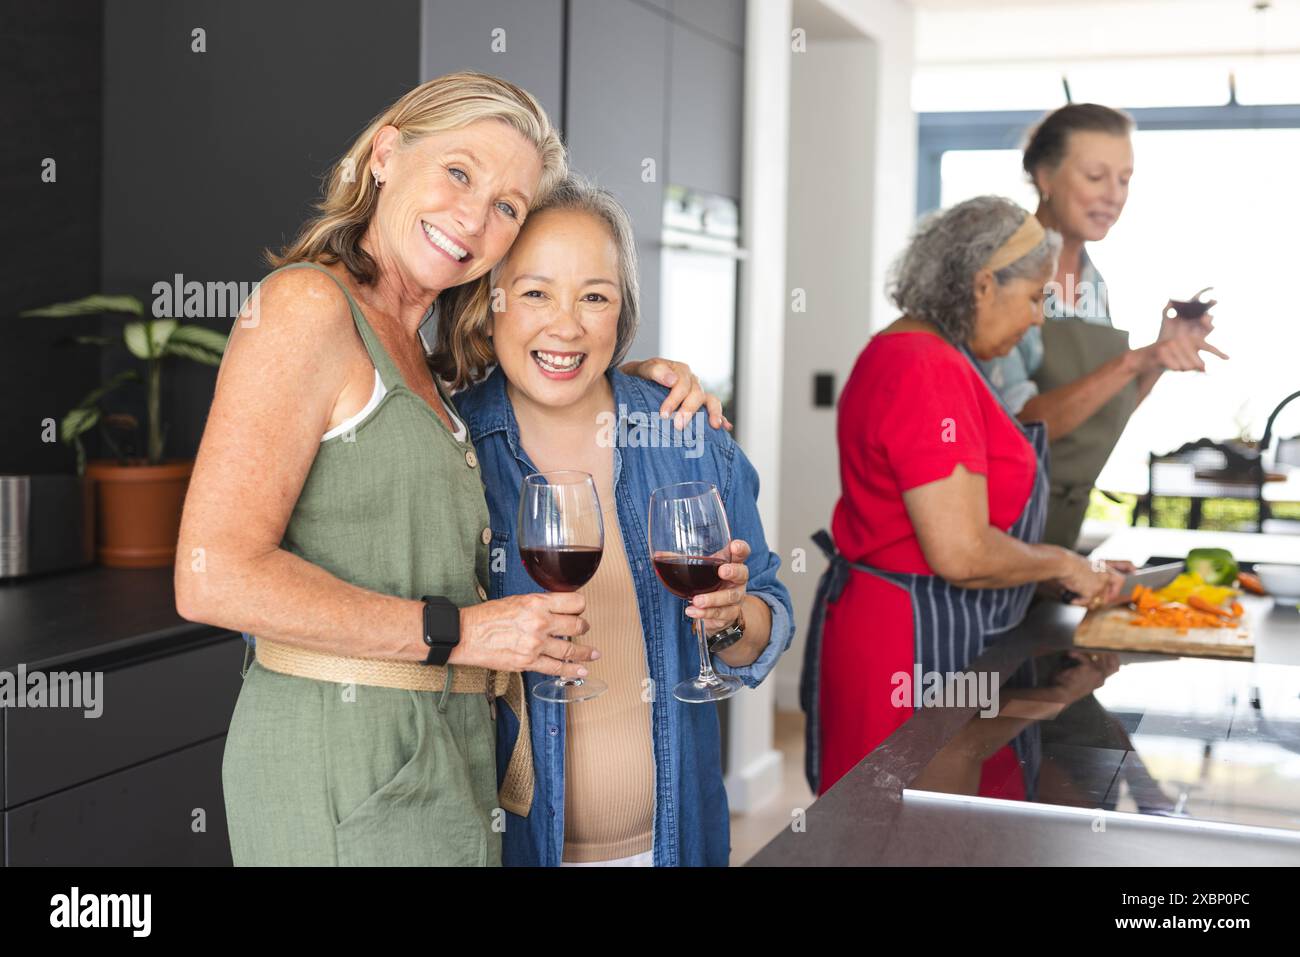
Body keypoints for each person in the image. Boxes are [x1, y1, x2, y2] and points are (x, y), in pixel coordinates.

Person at [175, 73, 725, 866]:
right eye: (459, 172)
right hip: (345, 759)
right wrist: (462, 631)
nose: (475, 216)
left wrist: (634, 380)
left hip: (442, 763)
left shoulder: (423, 354)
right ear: (387, 154)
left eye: (507, 206)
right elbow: (212, 575)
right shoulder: (306, 307)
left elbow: (545, 361)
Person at [454, 176, 795, 866]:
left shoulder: (684, 432)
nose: (566, 324)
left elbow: (766, 616)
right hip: (507, 848)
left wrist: (731, 616)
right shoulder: (450, 442)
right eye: (535, 292)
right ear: (489, 306)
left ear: (622, 313)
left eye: (595, 297)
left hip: (674, 845)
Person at [802, 196, 1125, 799]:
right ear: (981, 286)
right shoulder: (927, 368)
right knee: (912, 836)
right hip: (910, 647)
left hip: (908, 632)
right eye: (1034, 298)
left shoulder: (912, 351)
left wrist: (1060, 575)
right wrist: (1061, 563)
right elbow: (963, 554)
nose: (1038, 321)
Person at [981, 103, 1227, 548]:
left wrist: (1158, 357)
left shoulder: (1095, 284)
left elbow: (1100, 418)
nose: (1114, 195)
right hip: (999, 524)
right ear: (1045, 176)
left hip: (1060, 522)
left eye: (1124, 179)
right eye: (1096, 176)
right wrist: (1134, 360)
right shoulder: (1003, 274)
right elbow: (1016, 428)